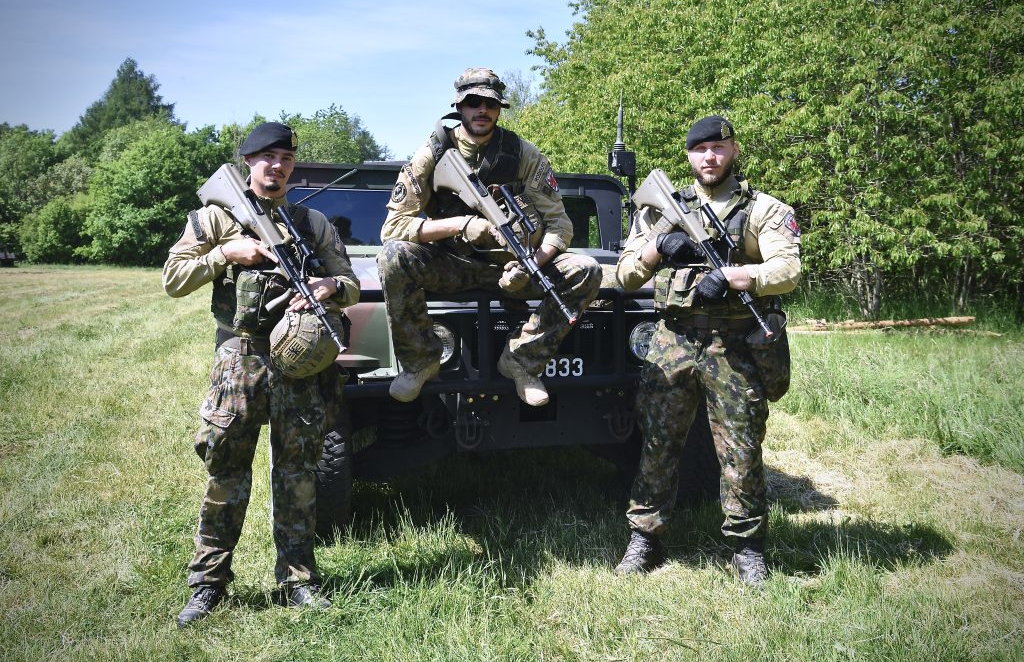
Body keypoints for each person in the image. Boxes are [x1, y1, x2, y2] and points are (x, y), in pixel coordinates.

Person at [163, 122, 360, 626]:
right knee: (226, 472)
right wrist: (225, 253)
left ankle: (298, 581)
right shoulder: (216, 216)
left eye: (286, 158)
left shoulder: (312, 222)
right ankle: (208, 585)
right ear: (248, 162)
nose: (278, 166)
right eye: (267, 157)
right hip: (240, 360)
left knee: (298, 474)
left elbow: (351, 283)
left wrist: (329, 287)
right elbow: (173, 279)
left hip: (299, 363)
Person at [613, 115, 801, 586]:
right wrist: (659, 246)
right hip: (672, 341)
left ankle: (747, 547)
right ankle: (645, 538)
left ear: (733, 150)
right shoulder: (661, 208)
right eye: (700, 150)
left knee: (741, 449)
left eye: (718, 147)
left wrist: (737, 276)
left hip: (734, 345)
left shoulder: (763, 209)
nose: (710, 157)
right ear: (689, 156)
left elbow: (787, 270)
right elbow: (625, 275)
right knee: (657, 443)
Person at [378, 68, 602, 406]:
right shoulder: (433, 153)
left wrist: (532, 263)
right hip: (452, 265)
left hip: (513, 270)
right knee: (393, 255)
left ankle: (522, 361)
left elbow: (560, 225)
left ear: (499, 109)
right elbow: (393, 228)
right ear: (459, 106)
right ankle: (420, 361)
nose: (482, 110)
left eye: (491, 104)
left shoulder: (523, 154)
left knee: (586, 269)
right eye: (473, 102)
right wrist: (461, 225)